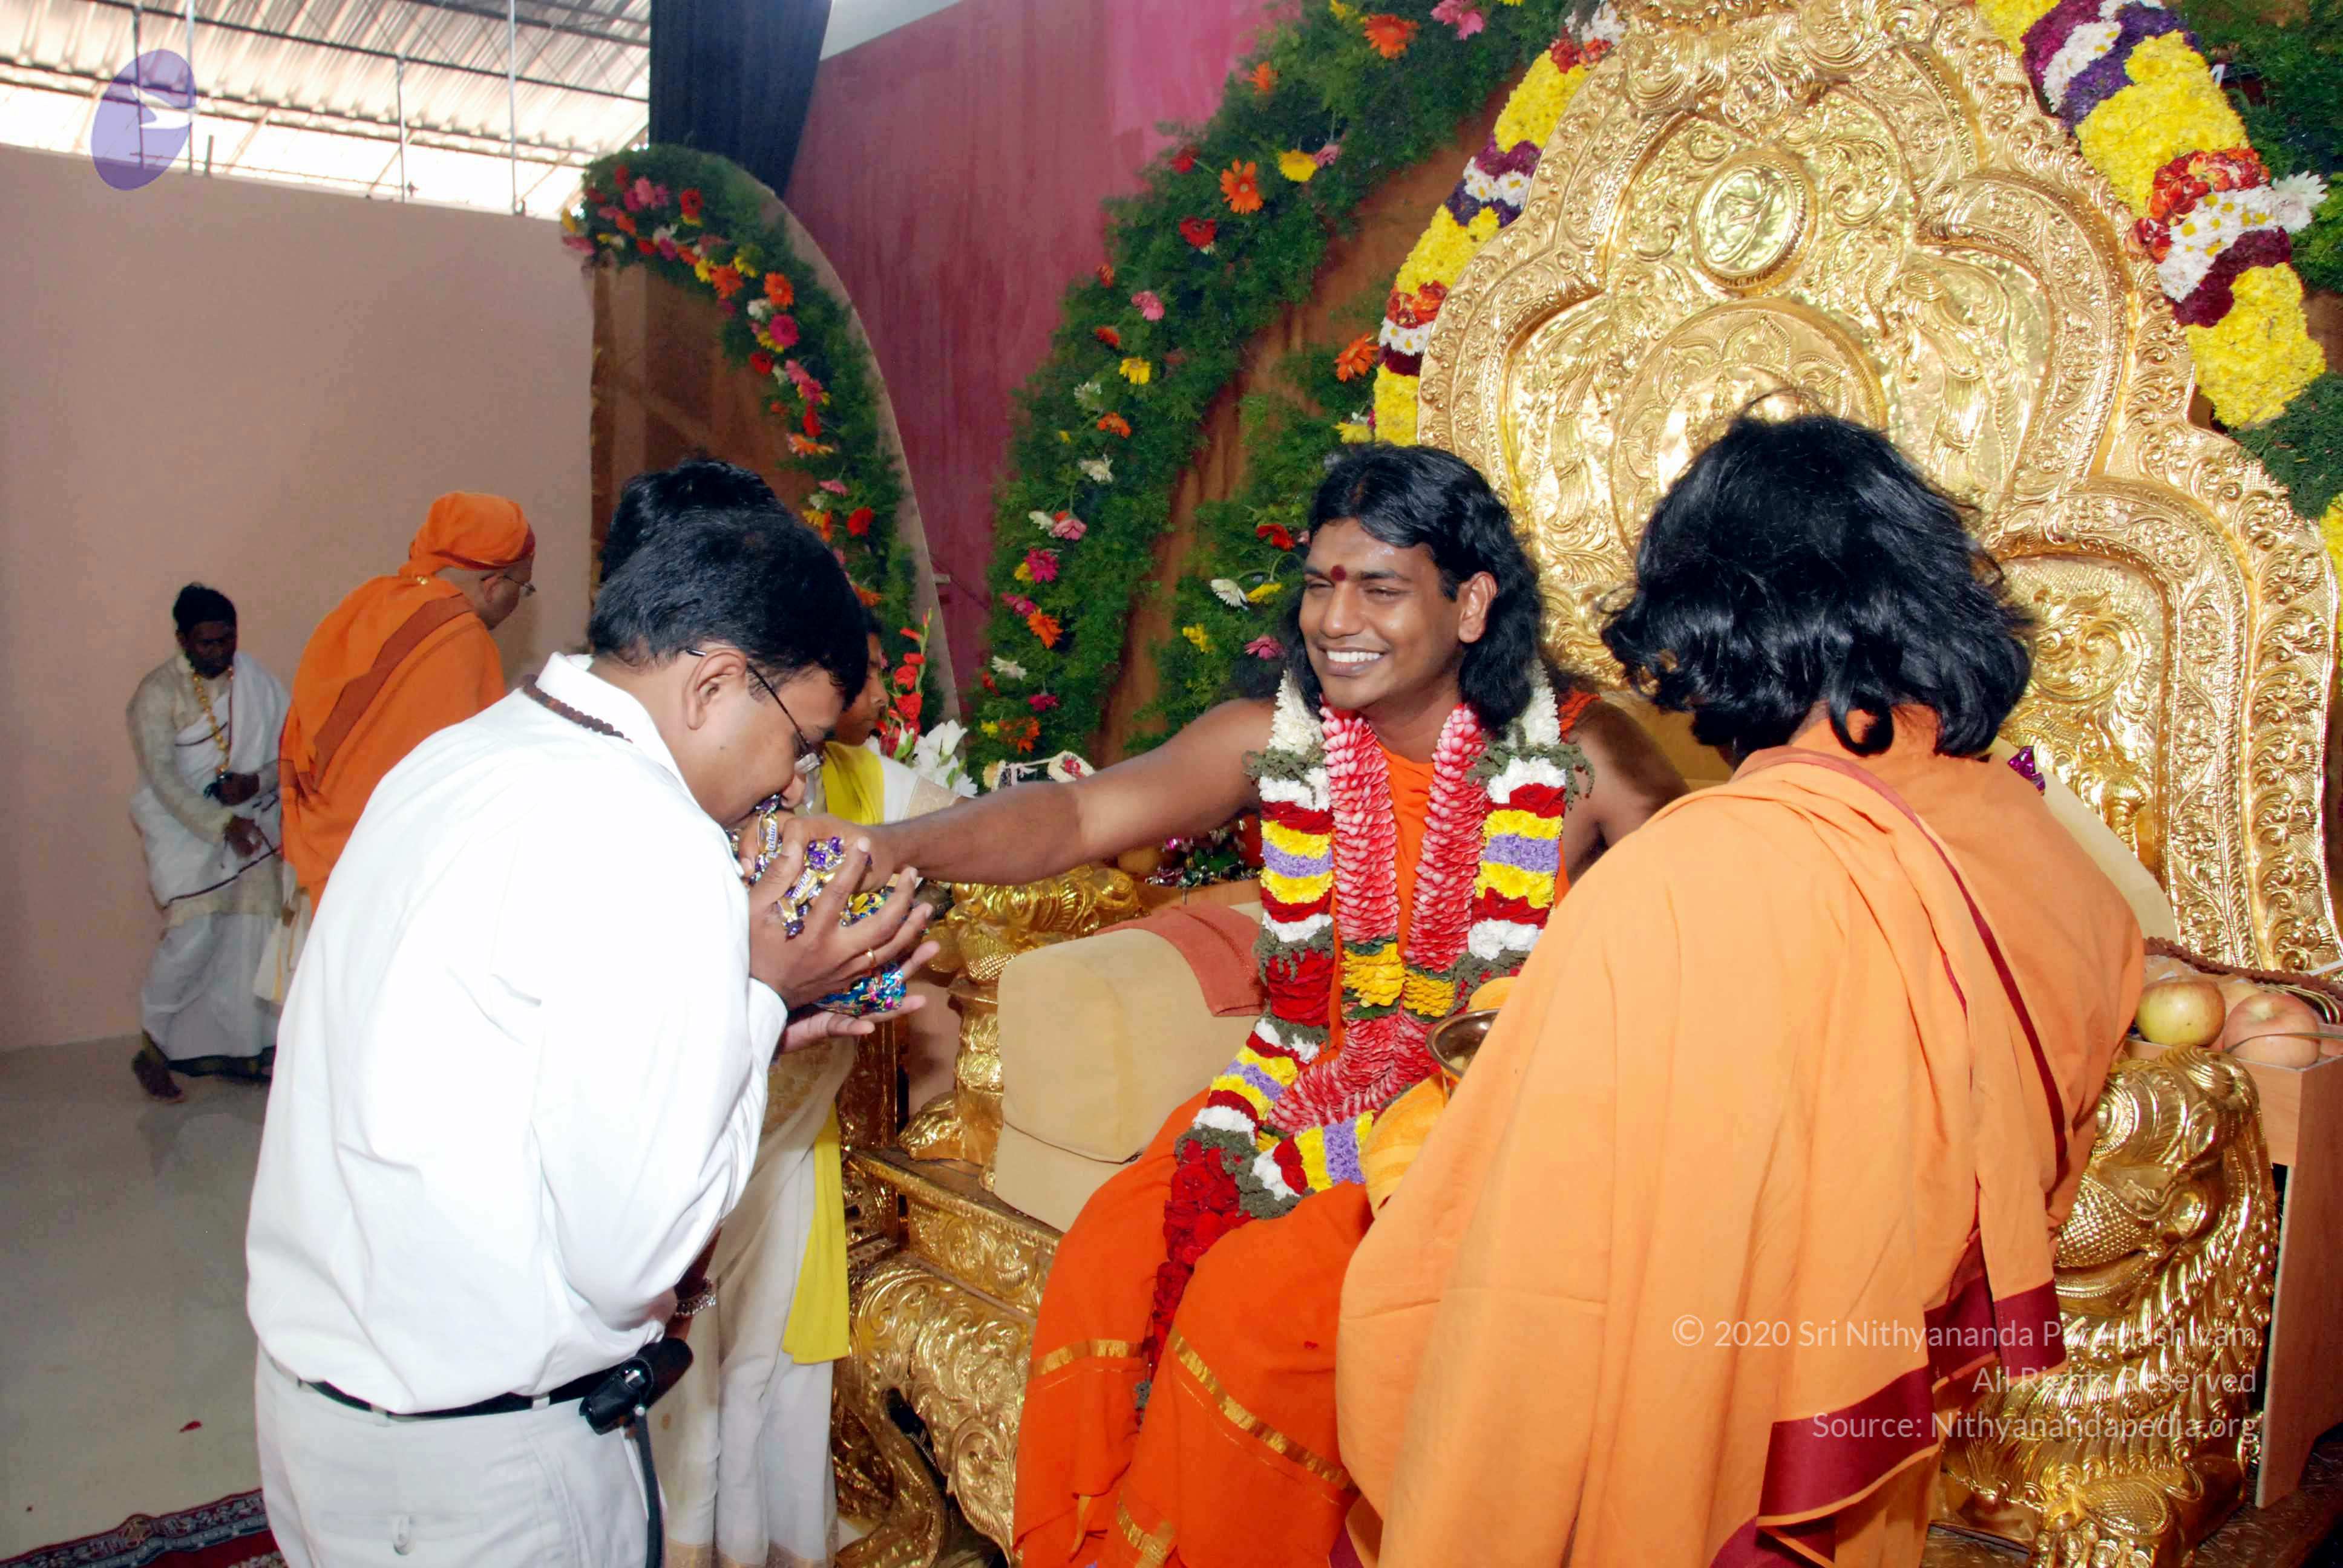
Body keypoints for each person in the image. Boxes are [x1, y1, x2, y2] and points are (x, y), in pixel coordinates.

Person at [813, 444, 1688, 1567]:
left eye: (1380, 588)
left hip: (1480, 1124)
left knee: (1257, 1305)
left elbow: (1697, 922)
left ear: (1471, 604)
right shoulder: (1283, 736)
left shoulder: (1576, 752)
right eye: (1320, 584)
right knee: (1112, 1255)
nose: (1336, 620)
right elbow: (1081, 818)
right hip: (1302, 1081)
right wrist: (889, 845)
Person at [1336, 414, 2143, 1567]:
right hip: (1860, 1436)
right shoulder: (2031, 843)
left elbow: (1529, 1279)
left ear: (1707, 617)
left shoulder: (1689, 877)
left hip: (1698, 1448)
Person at [245, 488, 937, 1568]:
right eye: (798, 741)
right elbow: (633, 1260)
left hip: (322, 1413)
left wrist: (747, 1028)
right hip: (482, 1471)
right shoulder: (650, 836)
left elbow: (504, 1064)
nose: (788, 781)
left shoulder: (460, 754)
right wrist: (761, 991)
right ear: (713, 683)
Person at [276, 492, 536, 919]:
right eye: (523, 587)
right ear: (493, 585)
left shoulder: (368, 601)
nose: (519, 601)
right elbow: (461, 781)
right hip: (386, 879)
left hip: (317, 854)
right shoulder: (460, 638)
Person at [126, 584, 290, 1100]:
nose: (219, 651)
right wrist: (222, 824)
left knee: (252, 933)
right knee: (191, 940)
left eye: (227, 639)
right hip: (187, 833)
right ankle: (152, 1049)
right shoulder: (157, 694)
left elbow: (291, 754)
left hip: (254, 824)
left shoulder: (258, 682)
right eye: (206, 642)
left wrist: (256, 783)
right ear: (182, 640)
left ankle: (243, 1051)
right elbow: (163, 780)